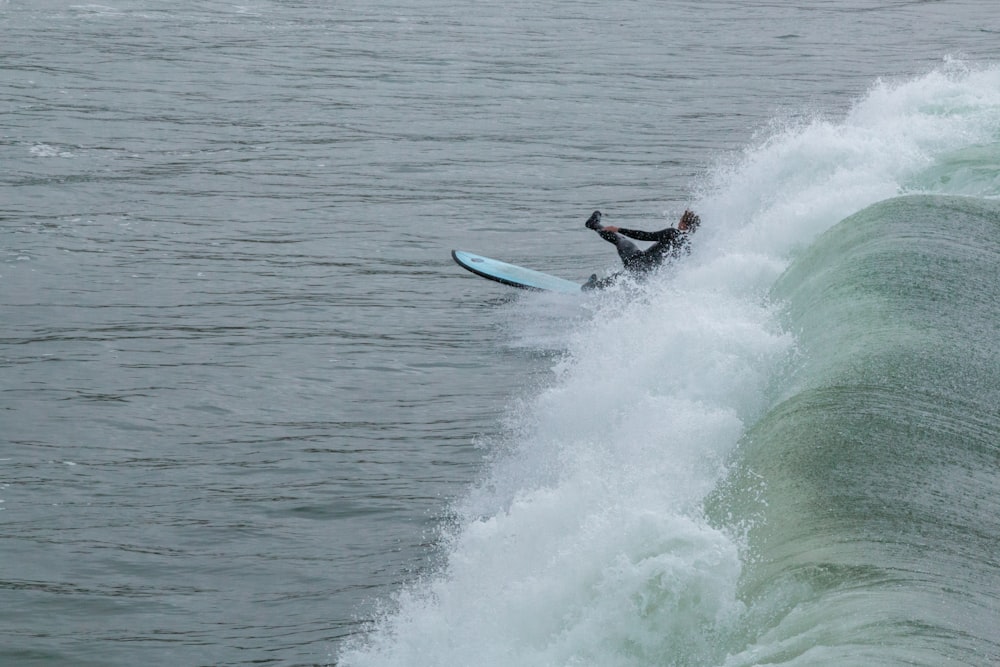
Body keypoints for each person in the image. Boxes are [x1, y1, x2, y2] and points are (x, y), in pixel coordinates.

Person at [582, 209, 701, 290]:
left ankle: (593, 224)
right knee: (622, 279)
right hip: (647, 273)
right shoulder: (687, 246)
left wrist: (618, 229)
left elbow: (645, 236)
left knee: (619, 239)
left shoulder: (673, 233)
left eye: (681, 220)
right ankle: (593, 287)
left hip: (637, 260)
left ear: (684, 225)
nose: (678, 222)